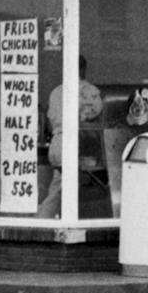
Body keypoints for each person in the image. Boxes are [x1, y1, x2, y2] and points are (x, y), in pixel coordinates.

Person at [37, 69, 104, 217]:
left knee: (59, 187)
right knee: (61, 192)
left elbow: (49, 121)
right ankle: (42, 220)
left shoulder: (56, 91)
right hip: (75, 144)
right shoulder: (88, 90)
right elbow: (97, 114)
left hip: (57, 143)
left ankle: (46, 218)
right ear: (84, 70)